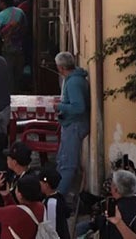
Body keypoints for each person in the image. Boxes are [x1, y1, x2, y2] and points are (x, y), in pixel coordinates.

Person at [53, 51, 89, 196]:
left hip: (74, 125)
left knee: (67, 164)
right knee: (62, 160)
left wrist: (60, 106)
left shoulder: (73, 82)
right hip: (71, 124)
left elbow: (78, 107)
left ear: (61, 67)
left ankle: (59, 196)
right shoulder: (74, 79)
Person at [0, 173, 46, 239]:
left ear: (20, 195)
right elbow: (18, 213)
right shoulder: (41, 207)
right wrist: (7, 196)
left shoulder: (15, 212)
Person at [39, 168, 72, 239]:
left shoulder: (51, 203)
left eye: (40, 182)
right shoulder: (57, 197)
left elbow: (52, 229)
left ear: (46, 185)